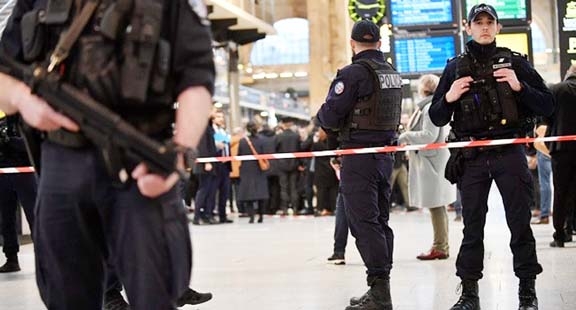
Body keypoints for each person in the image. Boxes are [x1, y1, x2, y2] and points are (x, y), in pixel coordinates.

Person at [0, 1, 215, 309]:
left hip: (141, 162)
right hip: (62, 165)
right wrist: (23, 99)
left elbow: (197, 76)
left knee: (157, 290)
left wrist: (179, 153)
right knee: (65, 293)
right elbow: (4, 71)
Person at [429, 4, 553, 310]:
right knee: (472, 227)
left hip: (509, 153)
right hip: (471, 156)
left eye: (490, 22)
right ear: (468, 28)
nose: (484, 27)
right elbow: (436, 116)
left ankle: (527, 293)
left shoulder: (515, 63)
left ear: (497, 28)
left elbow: (548, 105)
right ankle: (469, 294)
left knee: (520, 223)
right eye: (478, 22)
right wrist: (448, 96)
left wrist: (519, 86)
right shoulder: (454, 68)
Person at [317, 19, 402, 310]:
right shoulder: (392, 73)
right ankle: (381, 286)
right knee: (379, 221)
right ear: (379, 44)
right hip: (384, 158)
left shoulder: (352, 74)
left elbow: (329, 117)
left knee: (363, 223)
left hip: (358, 158)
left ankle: (380, 292)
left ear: (352, 44)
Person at [399, 74, 455, 261]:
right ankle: (441, 244)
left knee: (436, 205)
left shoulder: (430, 107)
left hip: (432, 163)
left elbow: (429, 135)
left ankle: (440, 246)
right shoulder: (429, 106)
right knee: (437, 205)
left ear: (423, 89)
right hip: (432, 162)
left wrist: (406, 137)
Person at [0, 115, 37, 273]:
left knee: (34, 217)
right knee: (5, 219)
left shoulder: (25, 117)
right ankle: (11, 258)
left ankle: (44, 258)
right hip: (2, 172)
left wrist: (9, 141)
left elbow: (32, 145)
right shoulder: (2, 120)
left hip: (26, 172)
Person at [548, 64, 576, 247]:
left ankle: (560, 233)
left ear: (569, 72)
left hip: (561, 149)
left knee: (560, 192)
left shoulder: (556, 90)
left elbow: (546, 118)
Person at [237, 121, 269, 223]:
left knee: (249, 194)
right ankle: (261, 216)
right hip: (259, 169)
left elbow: (239, 155)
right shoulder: (262, 141)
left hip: (246, 169)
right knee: (261, 193)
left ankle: (251, 216)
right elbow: (265, 154)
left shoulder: (242, 141)